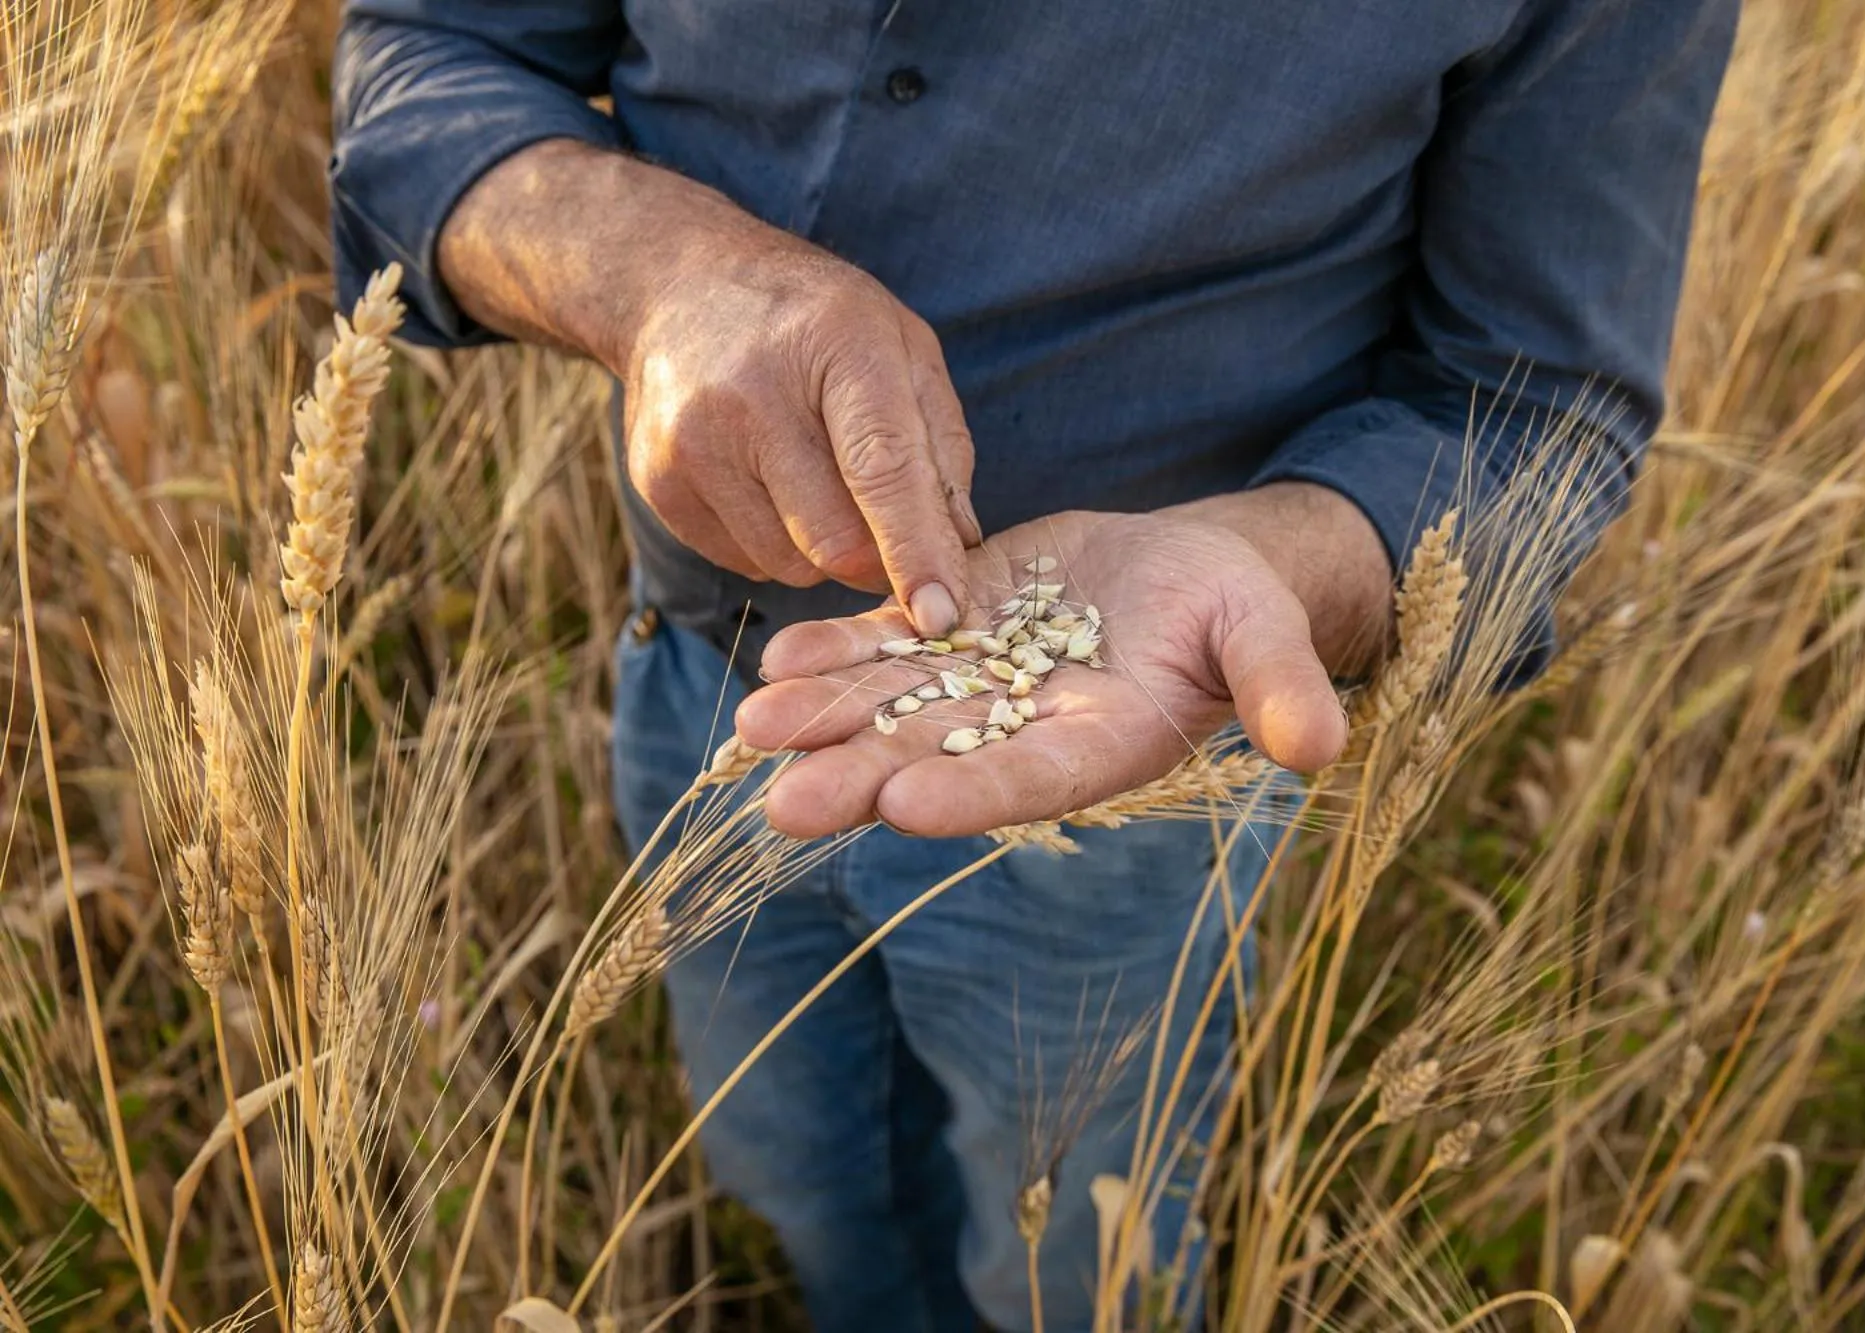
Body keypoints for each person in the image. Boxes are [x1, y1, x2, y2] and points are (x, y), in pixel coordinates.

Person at [331, 3, 1736, 1328]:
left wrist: (1277, 564)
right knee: (798, 1181)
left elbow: (1542, 403)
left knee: (1067, 1264)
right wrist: (653, 271)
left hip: (1130, 774)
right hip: (706, 679)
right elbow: (430, 57)